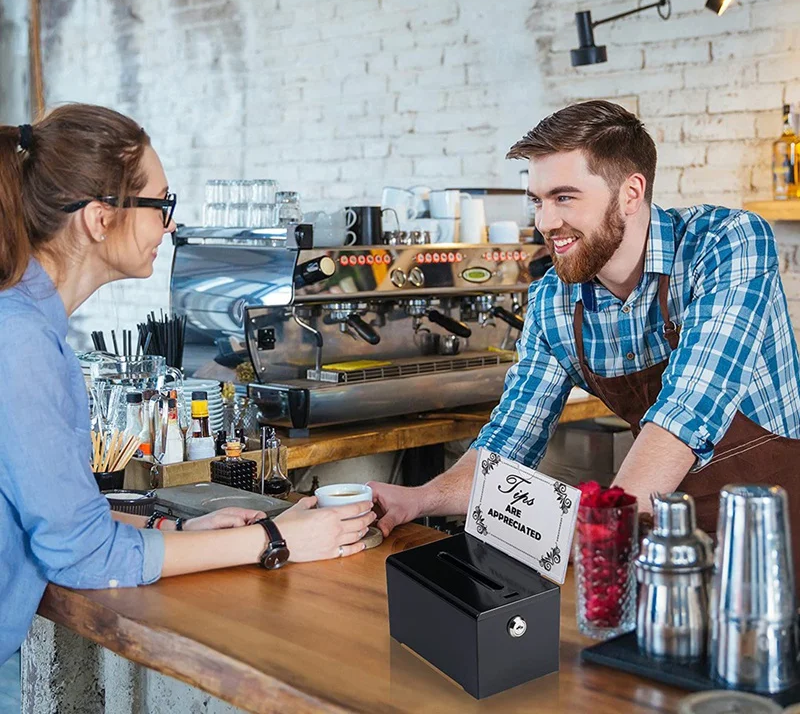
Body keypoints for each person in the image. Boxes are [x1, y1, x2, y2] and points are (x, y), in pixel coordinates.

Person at [0, 104, 374, 665]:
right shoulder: (21, 341)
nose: (170, 224)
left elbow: (58, 512)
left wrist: (181, 525)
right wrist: (277, 541)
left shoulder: (29, 325)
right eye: (161, 204)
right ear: (100, 218)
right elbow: (82, 555)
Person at [370, 100, 800, 558]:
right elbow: (508, 443)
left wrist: (599, 528)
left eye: (565, 197)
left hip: (780, 525)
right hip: (670, 529)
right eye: (537, 200)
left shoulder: (726, 243)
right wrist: (418, 499)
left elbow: (688, 409)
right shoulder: (553, 301)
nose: (544, 222)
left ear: (631, 193)